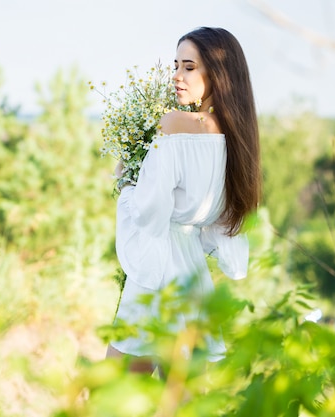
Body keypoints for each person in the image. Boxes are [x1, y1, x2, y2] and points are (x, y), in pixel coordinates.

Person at [106, 27, 261, 373]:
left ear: (218, 74)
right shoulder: (238, 138)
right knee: (183, 395)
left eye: (188, 67)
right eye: (176, 65)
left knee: (115, 388)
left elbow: (149, 213)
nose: (176, 76)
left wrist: (128, 183)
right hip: (192, 272)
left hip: (159, 268)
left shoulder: (174, 124)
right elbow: (217, 221)